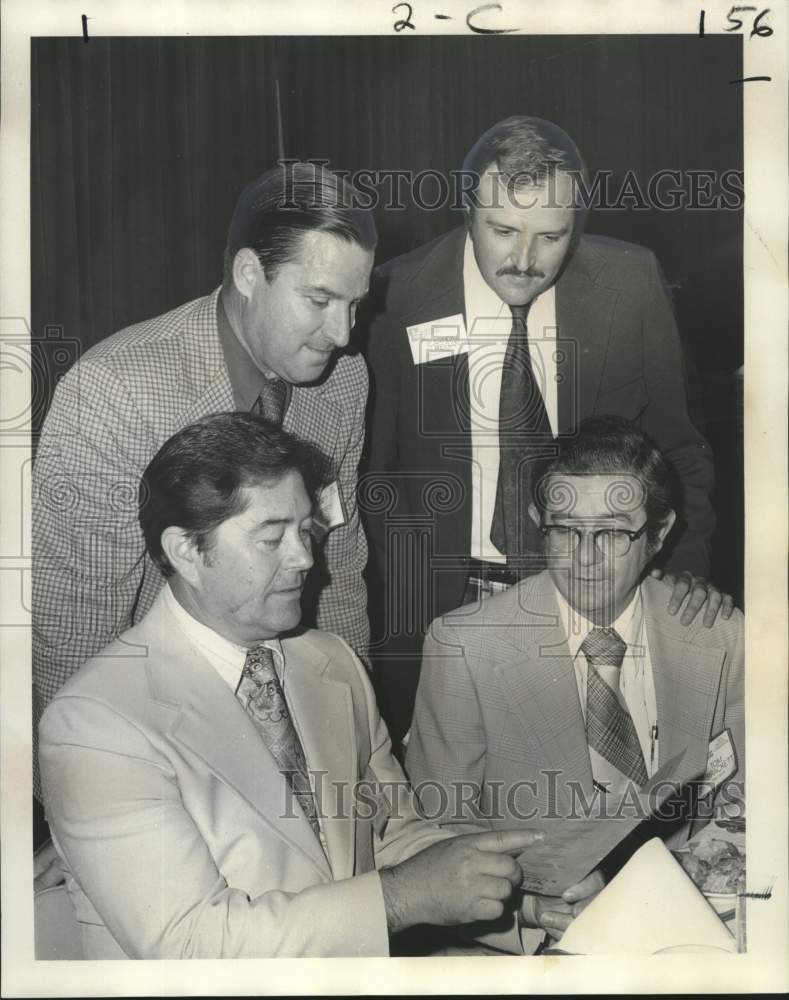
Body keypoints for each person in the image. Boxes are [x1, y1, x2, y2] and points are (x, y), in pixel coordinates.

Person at [38, 413, 548, 958]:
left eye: (306, 530)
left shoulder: (333, 664)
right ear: (187, 550)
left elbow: (394, 837)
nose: (306, 558)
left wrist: (523, 894)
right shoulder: (96, 722)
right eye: (272, 537)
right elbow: (190, 948)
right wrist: (400, 900)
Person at [361, 115, 731, 746]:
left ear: (576, 226)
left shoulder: (631, 284)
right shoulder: (397, 294)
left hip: (595, 587)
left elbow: (680, 450)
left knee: (600, 783)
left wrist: (683, 566)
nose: (524, 260)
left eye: (550, 236)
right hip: (444, 605)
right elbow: (376, 471)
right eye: (502, 230)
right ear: (467, 208)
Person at [33, 161, 374, 765]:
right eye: (319, 300)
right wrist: (88, 785)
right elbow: (73, 627)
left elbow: (339, 567)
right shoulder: (114, 393)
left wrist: (355, 738)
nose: (343, 334)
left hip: (292, 718)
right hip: (159, 731)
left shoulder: (343, 383)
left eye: (355, 303)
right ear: (249, 273)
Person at [405, 416, 744, 948]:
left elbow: (748, 808)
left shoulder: (718, 636)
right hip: (539, 940)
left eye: (612, 531)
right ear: (540, 521)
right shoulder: (466, 645)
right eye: (565, 530)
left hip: (686, 924)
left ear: (657, 533)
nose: (585, 558)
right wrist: (527, 908)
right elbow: (437, 831)